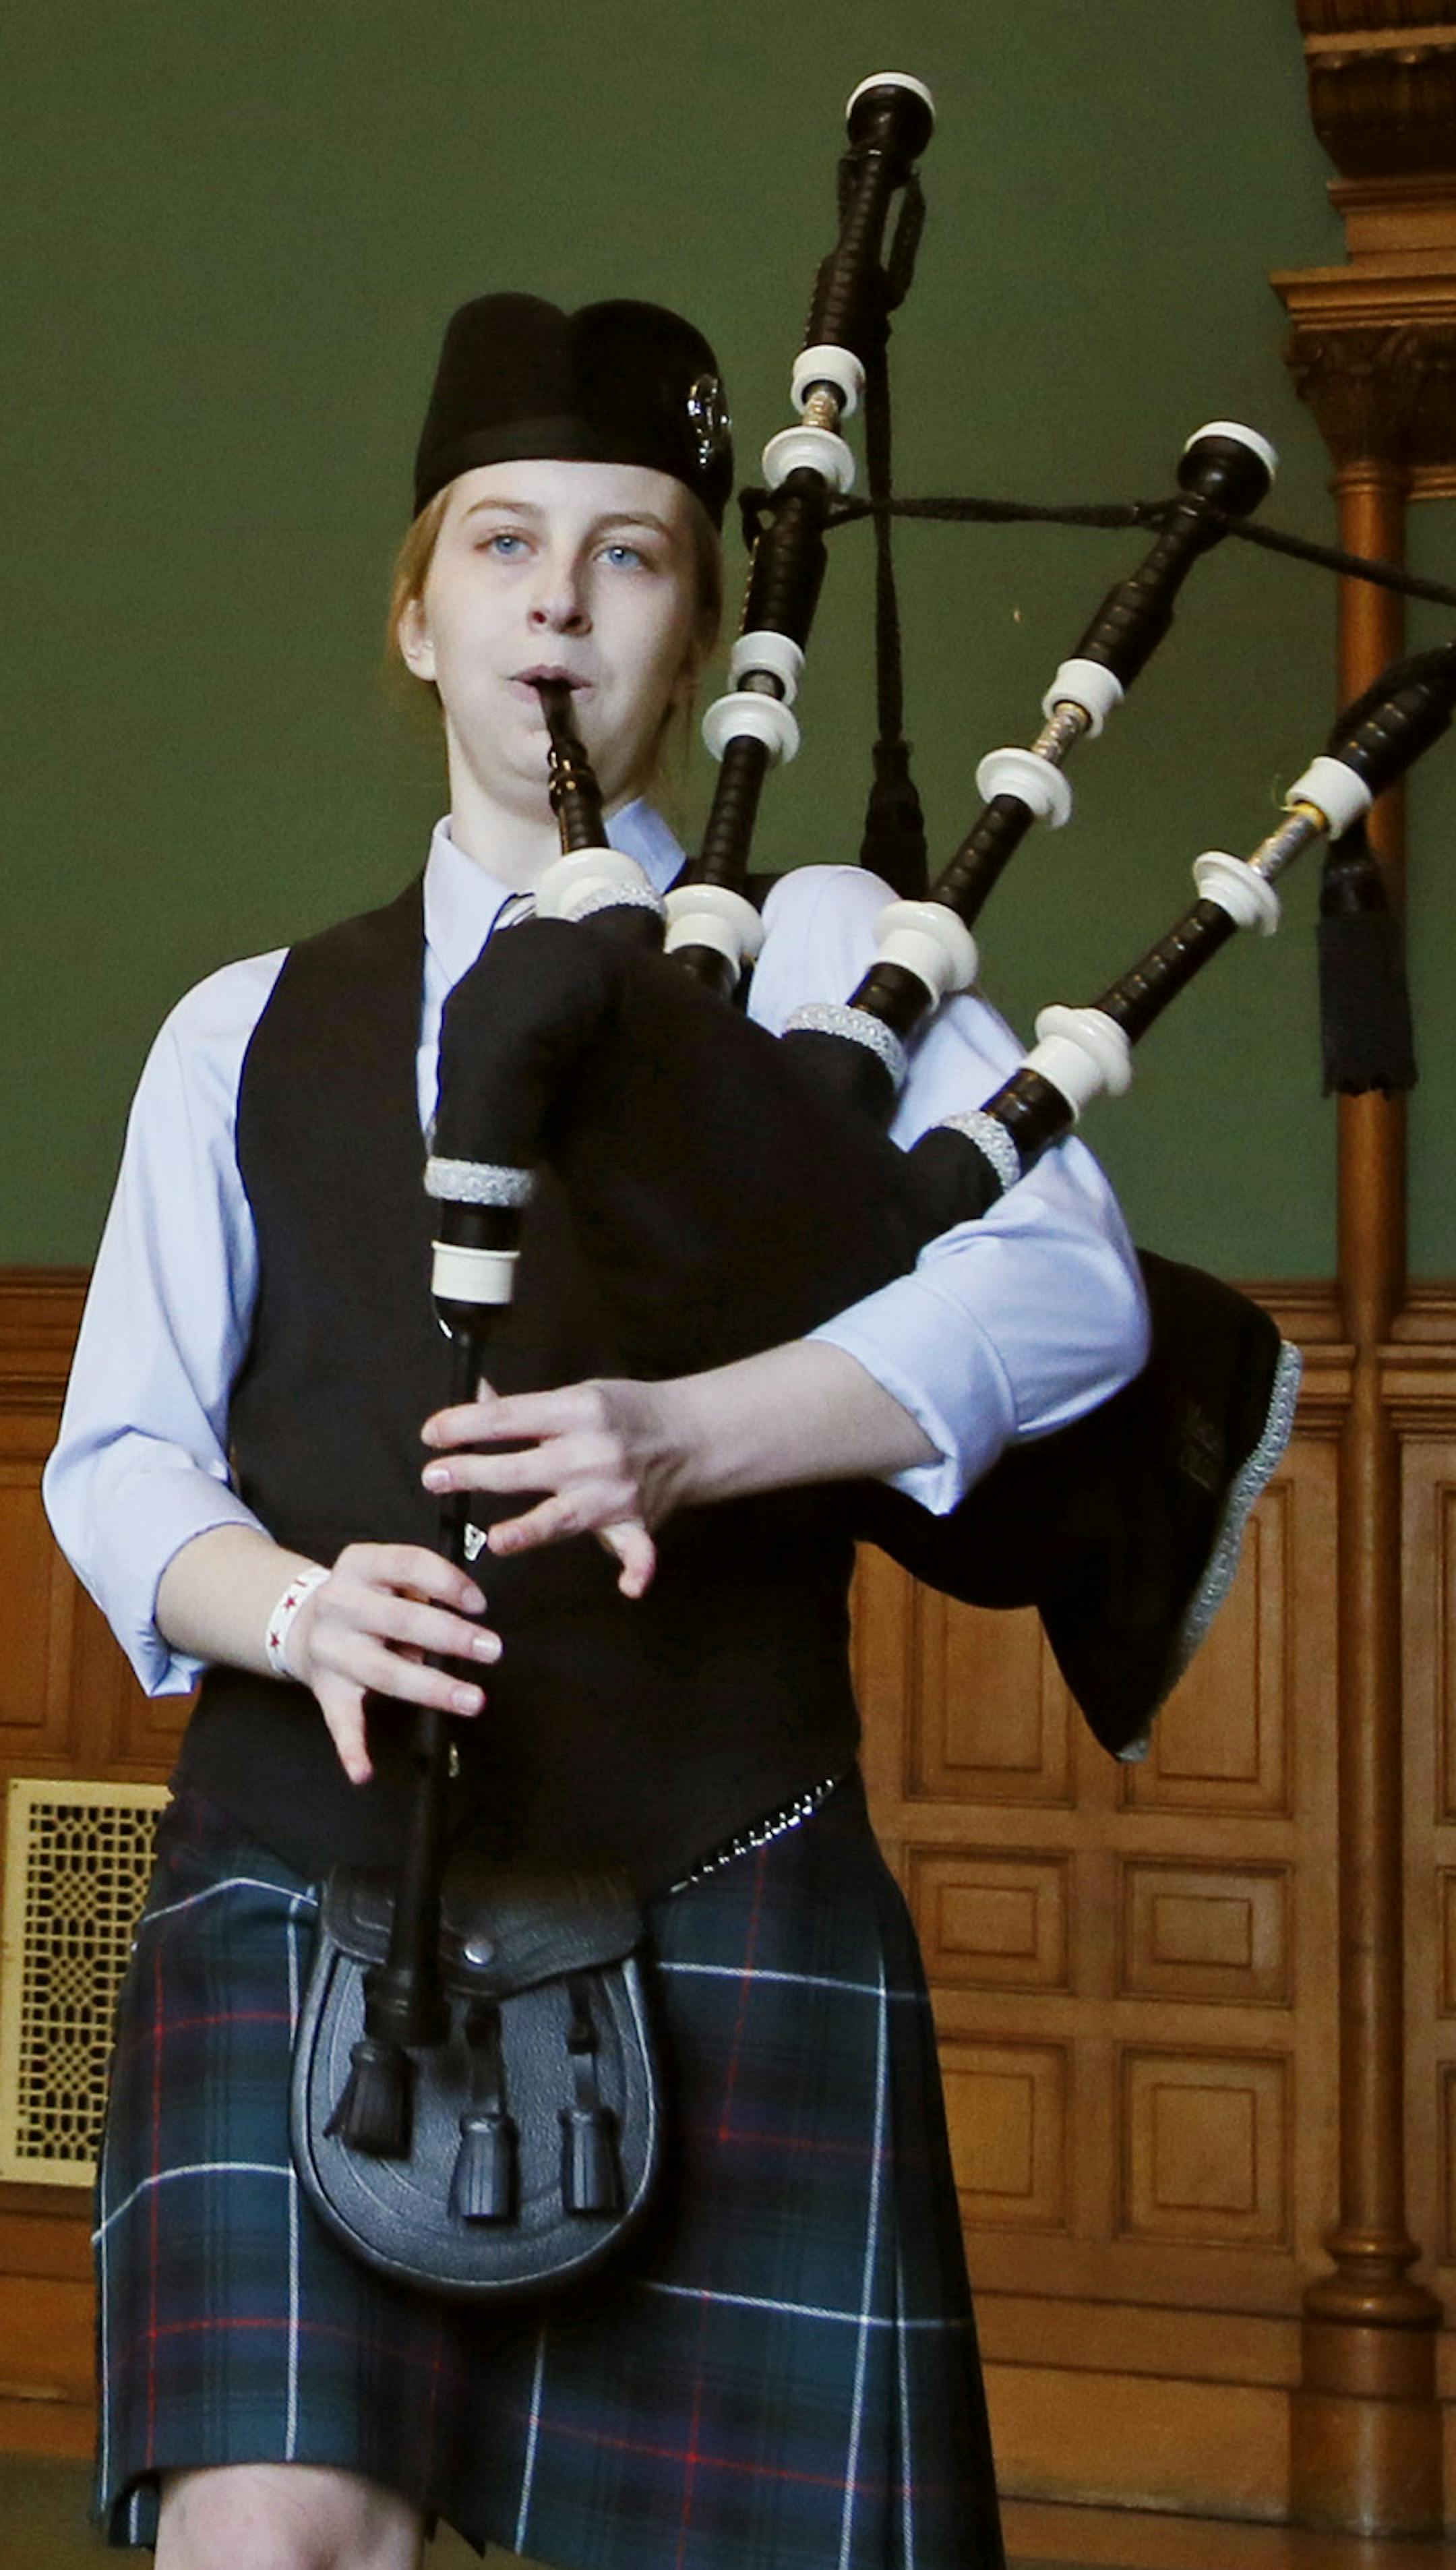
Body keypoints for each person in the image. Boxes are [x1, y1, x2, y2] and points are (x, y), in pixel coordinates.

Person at [46, 293, 1148, 2570]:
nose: (559, 599)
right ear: (417, 605)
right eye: (505, 541)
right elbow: (122, 1460)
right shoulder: (243, 1030)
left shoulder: (832, 951)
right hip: (306, 1879)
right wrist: (293, 1607)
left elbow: (1069, 1288)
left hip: (723, 1862)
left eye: (632, 551)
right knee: (270, 2535)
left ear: (705, 626)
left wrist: (690, 1432)